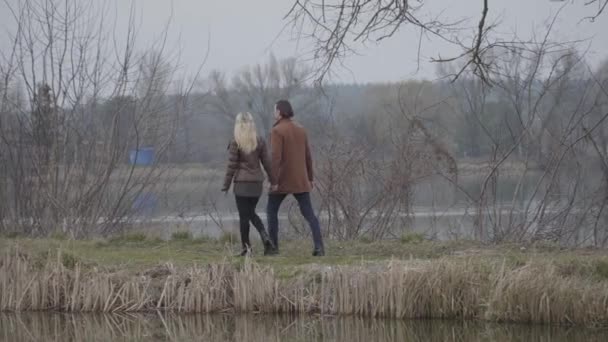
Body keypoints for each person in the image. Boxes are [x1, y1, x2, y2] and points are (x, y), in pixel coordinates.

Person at [267, 100, 325, 256]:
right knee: (309, 214)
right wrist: (310, 178)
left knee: (271, 211)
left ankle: (273, 248)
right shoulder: (301, 129)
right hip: (301, 179)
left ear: (279, 112)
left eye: (275, 110)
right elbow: (308, 156)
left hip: (282, 181)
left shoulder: (277, 131)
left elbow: (275, 157)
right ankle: (319, 247)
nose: (274, 114)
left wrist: (273, 181)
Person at [222, 112, 275, 256]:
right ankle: (265, 237)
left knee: (245, 216)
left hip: (241, 185)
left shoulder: (236, 142)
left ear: (238, 125)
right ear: (252, 124)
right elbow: (267, 163)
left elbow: (231, 166)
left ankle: (247, 248)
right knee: (250, 213)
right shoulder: (260, 141)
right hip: (256, 184)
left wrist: (226, 185)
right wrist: (273, 180)